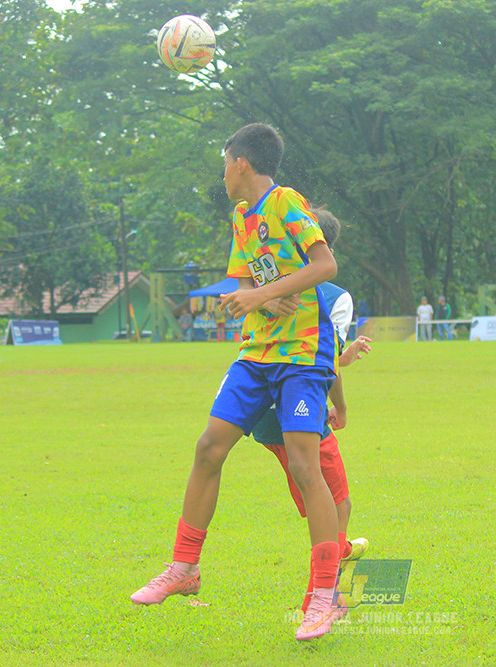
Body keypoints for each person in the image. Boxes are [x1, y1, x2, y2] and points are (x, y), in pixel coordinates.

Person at [129, 122, 343, 641]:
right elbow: (246, 279)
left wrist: (271, 292)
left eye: (224, 163)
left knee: (302, 465)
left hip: (302, 357)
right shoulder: (241, 216)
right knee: (208, 448)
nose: (222, 173)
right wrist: (259, 294)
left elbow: (325, 263)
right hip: (257, 353)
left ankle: (324, 596)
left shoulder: (285, 201)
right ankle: (184, 567)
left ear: (241, 162)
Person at [250, 208, 372, 621]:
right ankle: (323, 596)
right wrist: (342, 404)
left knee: (317, 498)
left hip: (260, 415)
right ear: (326, 249)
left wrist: (344, 356)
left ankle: (341, 554)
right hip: (300, 415)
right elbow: (325, 362)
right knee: (336, 503)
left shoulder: (265, 286)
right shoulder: (335, 295)